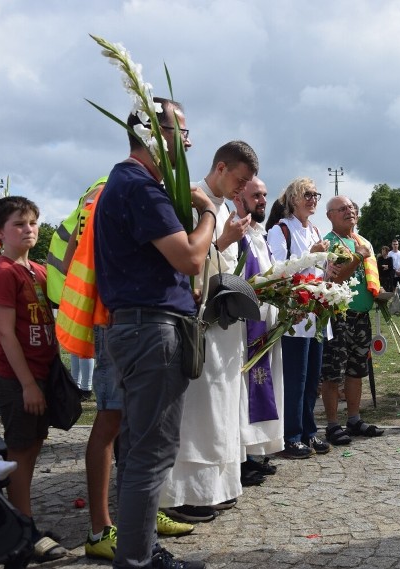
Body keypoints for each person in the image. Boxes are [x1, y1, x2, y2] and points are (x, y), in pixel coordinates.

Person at [93, 97, 216, 569]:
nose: (187, 142)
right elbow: (189, 258)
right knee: (149, 454)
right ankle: (137, 562)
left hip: (140, 328)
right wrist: (208, 212)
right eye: (181, 132)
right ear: (153, 135)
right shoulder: (140, 186)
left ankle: (139, 550)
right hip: (151, 330)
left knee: (141, 450)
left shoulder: (126, 182)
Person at [160, 140, 257, 523]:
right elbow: (186, 261)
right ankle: (184, 493)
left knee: (222, 409)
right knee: (198, 412)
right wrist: (223, 241)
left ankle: (218, 486)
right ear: (220, 167)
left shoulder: (228, 207)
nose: (242, 188)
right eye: (240, 178)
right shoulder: (192, 202)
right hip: (197, 324)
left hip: (226, 327)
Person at [0, 196, 68, 561]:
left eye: (32, 222)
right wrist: (28, 384)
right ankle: (22, 532)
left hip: (40, 372)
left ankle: (23, 520)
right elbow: (5, 334)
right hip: (16, 376)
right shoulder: (3, 272)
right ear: (0, 232)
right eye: (19, 224)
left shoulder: (37, 270)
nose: (28, 229)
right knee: (20, 450)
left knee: (32, 447)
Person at [266, 178, 330, 459]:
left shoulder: (316, 230)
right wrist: (311, 255)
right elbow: (280, 269)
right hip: (294, 312)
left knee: (312, 376)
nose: (313, 199)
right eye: (307, 194)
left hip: (316, 311)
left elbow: (319, 270)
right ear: (293, 199)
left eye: (316, 195)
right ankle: (291, 435)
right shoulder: (280, 231)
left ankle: (309, 430)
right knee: (295, 377)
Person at [320, 195, 384, 446]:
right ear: (330, 216)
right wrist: (358, 257)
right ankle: (333, 424)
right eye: (342, 209)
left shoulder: (362, 240)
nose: (349, 212)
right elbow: (334, 278)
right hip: (338, 315)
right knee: (334, 372)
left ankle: (354, 419)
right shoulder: (328, 243)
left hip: (361, 315)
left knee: (358, 369)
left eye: (351, 207)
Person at [234, 177, 284, 474]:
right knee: (245, 391)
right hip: (244, 326)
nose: (263, 200)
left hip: (266, 321)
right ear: (239, 195)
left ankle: (257, 450)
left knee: (266, 383)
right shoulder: (235, 230)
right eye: (257, 195)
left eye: (265, 195)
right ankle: (242, 456)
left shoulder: (259, 234)